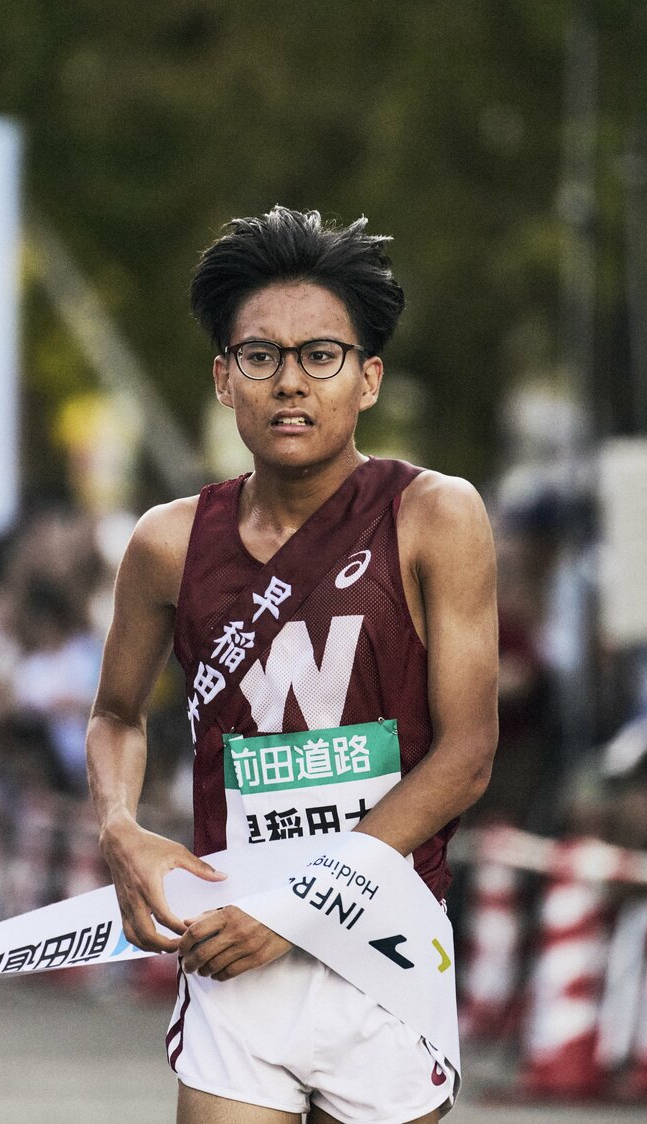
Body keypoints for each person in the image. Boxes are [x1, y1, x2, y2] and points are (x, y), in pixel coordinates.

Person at [86, 207, 499, 1124]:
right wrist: (120, 827)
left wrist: (304, 908)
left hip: (381, 940)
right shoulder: (167, 543)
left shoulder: (435, 515)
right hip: (234, 941)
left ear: (369, 378)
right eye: (260, 357)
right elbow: (116, 714)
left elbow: (466, 755)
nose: (290, 383)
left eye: (322, 356)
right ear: (223, 379)